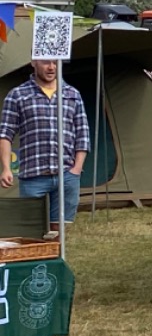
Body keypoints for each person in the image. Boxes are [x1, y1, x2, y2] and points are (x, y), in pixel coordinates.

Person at [0, 59, 90, 239]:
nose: (51, 67)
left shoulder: (72, 94)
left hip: (66, 175)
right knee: (32, 232)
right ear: (34, 62)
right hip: (33, 176)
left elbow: (83, 133)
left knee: (59, 231)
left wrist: (77, 169)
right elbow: (5, 134)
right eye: (46, 62)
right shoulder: (17, 95)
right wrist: (6, 168)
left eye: (56, 63)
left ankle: (55, 258)